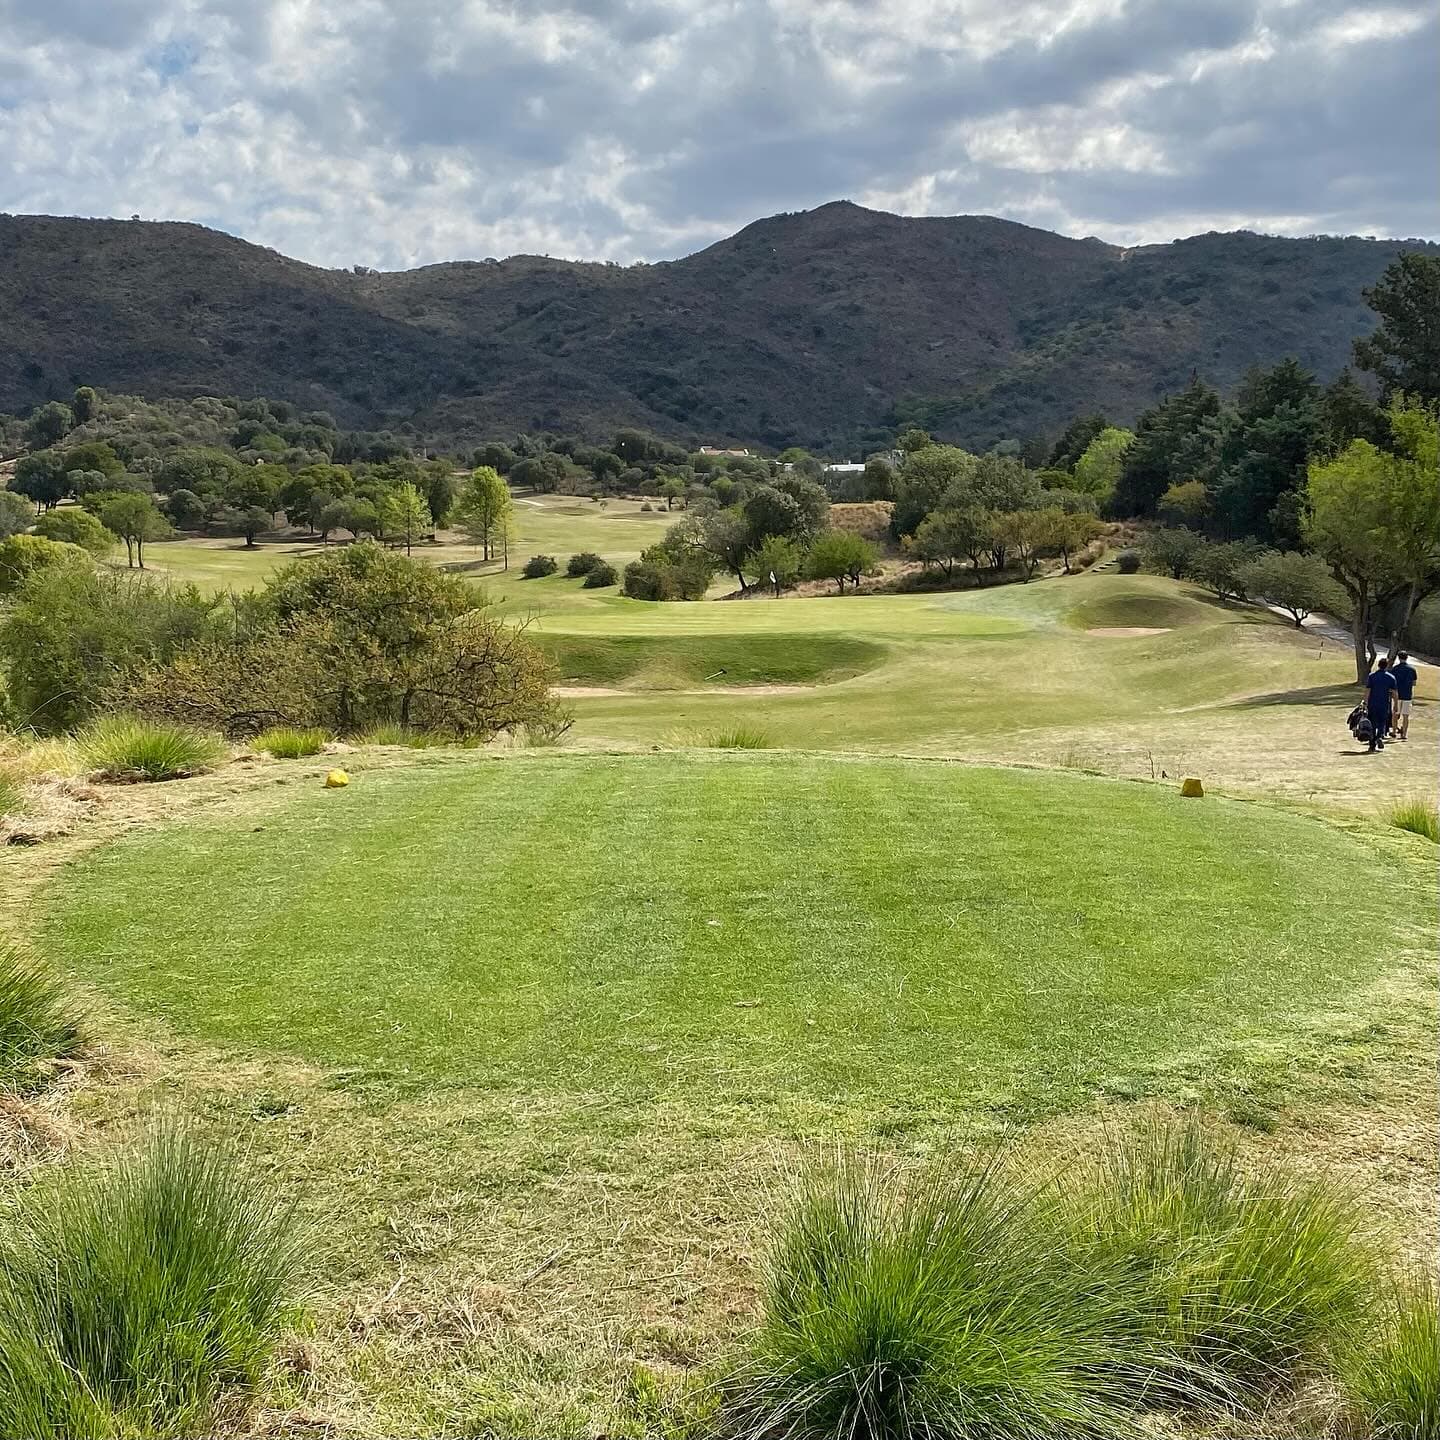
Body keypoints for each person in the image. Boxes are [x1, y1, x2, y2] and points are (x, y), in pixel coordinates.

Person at [1363, 658, 1398, 752]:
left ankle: (1372, 744)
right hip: (1384, 703)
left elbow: (1368, 691)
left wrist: (1365, 702)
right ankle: (1379, 736)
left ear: (1378, 665)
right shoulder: (1391, 677)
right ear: (1386, 666)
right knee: (1382, 722)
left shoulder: (1372, 676)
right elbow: (1394, 693)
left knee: (1373, 724)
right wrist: (1396, 704)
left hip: (1373, 703)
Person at [1389, 650, 1417, 741]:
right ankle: (1404, 734)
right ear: (1407, 658)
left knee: (1395, 714)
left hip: (1397, 695)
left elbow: (1392, 683)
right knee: (1406, 716)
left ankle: (1393, 732)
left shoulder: (1395, 669)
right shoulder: (1412, 669)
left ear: (1398, 658)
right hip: (1407, 695)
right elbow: (1414, 683)